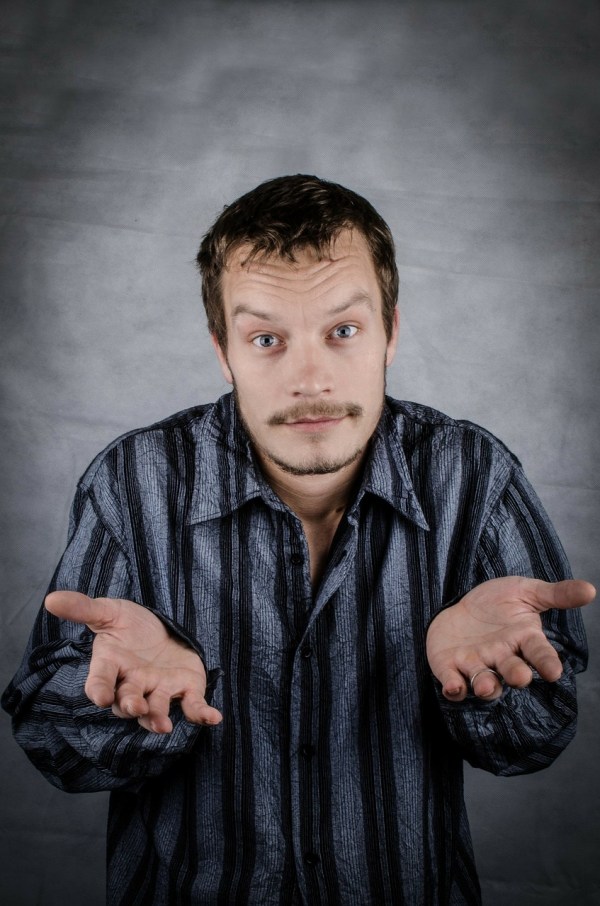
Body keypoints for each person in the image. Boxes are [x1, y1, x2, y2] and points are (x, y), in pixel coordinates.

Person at [2, 174, 594, 906]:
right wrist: (131, 705)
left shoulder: (474, 475)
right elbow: (51, 740)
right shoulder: (132, 482)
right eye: (266, 339)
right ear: (223, 350)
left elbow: (541, 735)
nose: (309, 378)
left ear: (390, 332)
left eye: (343, 331)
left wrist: (484, 689)